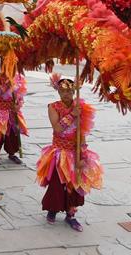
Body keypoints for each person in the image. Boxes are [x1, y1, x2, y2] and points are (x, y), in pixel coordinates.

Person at [35, 74, 103, 231]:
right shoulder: (53, 107)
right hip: (59, 152)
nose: (66, 94)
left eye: (69, 91)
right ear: (58, 91)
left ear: (74, 92)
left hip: (74, 151)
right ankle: (52, 210)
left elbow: (82, 131)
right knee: (57, 184)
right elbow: (58, 129)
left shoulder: (80, 107)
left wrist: (82, 153)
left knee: (75, 183)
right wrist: (72, 115)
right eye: (62, 91)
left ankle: (71, 215)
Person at [0, 70, 27, 165]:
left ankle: (12, 154)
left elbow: (21, 95)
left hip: (12, 110)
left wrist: (18, 104)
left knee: (13, 134)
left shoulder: (18, 77)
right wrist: (8, 85)